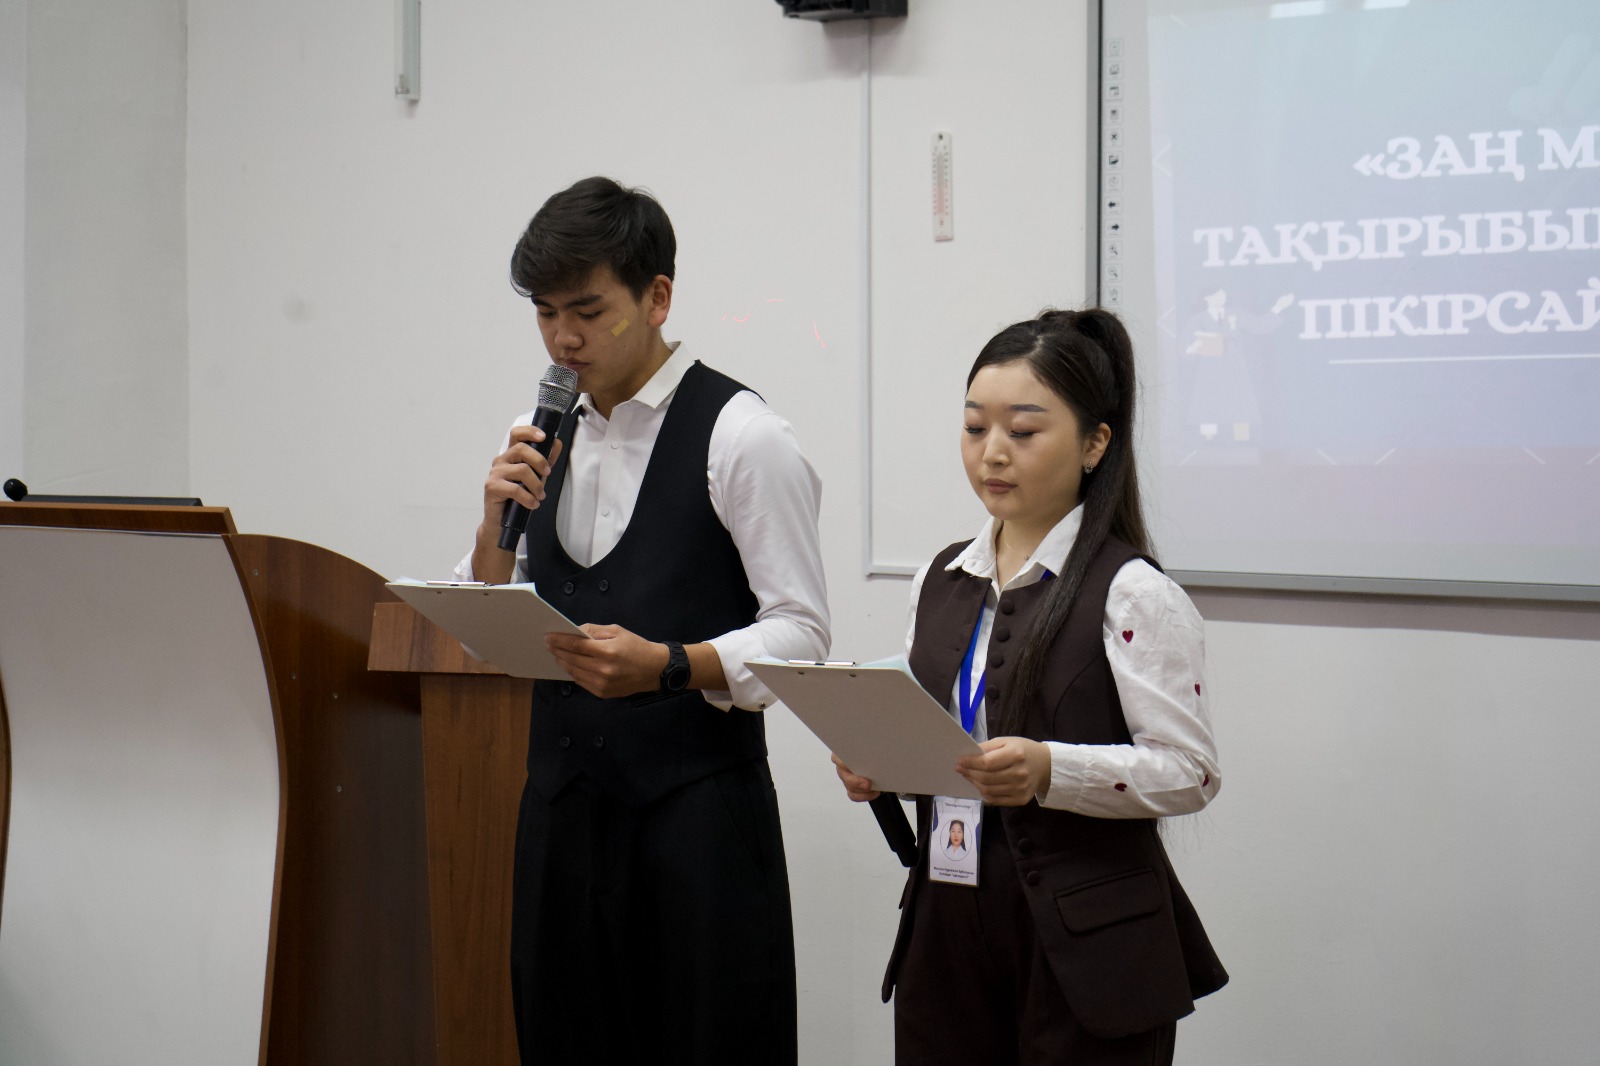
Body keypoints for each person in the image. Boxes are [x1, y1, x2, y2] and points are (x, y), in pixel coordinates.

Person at [454, 176, 829, 1065]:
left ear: (657, 297)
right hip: (559, 812)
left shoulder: (743, 435)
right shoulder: (536, 432)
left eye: (587, 311)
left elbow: (803, 633)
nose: (563, 339)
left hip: (695, 821)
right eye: (545, 313)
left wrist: (671, 664)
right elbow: (487, 615)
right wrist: (488, 533)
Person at [834, 308, 1228, 1065]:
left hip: (1087, 950)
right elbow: (943, 735)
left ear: (1095, 444)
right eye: (974, 427)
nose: (992, 452)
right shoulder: (939, 577)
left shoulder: (1134, 593)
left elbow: (1191, 771)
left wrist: (1051, 769)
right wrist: (881, 764)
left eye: (1022, 430)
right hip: (946, 928)